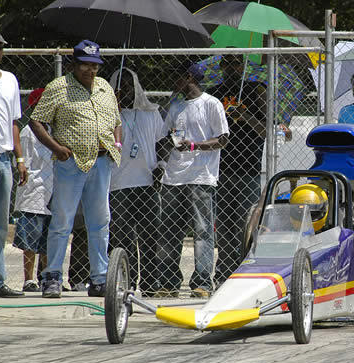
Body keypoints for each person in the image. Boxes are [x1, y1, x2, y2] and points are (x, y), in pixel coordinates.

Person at [30, 39, 122, 298]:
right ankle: (52, 277)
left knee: (100, 222)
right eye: (84, 65)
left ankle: (100, 278)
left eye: (94, 65)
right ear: (73, 64)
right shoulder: (59, 87)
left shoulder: (104, 87)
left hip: (102, 162)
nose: (90, 70)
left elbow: (116, 119)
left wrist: (117, 141)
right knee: (62, 221)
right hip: (70, 163)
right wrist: (56, 148)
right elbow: (37, 121)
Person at [208, 53, 291, 282]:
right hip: (221, 168)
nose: (232, 68)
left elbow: (267, 130)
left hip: (249, 168)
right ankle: (224, 271)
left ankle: (245, 268)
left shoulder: (256, 90)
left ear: (243, 65)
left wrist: (246, 116)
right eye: (227, 63)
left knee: (246, 222)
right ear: (222, 66)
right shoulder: (214, 94)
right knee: (223, 224)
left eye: (236, 63)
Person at [156, 62, 229, 298]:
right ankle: (168, 283)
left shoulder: (210, 103)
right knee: (169, 231)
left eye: (176, 76)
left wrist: (195, 145)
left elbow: (223, 139)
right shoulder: (175, 106)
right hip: (174, 176)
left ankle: (202, 283)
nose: (172, 82)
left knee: (202, 230)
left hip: (201, 176)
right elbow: (165, 138)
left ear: (189, 77)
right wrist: (164, 153)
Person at [108, 68, 166, 296]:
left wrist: (161, 165)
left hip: (147, 182)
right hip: (118, 184)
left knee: (150, 235)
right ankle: (126, 284)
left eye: (129, 84)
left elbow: (162, 142)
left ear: (136, 86)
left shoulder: (151, 113)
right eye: (120, 85)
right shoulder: (110, 115)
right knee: (122, 237)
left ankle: (150, 283)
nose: (126, 90)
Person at [0, 30, 27, 299]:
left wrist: (19, 158)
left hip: (4, 158)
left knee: (0, 224)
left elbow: (14, 122)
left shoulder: (10, 80)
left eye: (0, 47)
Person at [12, 88, 52, 292]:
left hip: (51, 191)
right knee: (31, 241)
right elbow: (25, 163)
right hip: (34, 192)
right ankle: (29, 278)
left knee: (48, 240)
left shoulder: (53, 130)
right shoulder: (28, 132)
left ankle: (46, 277)